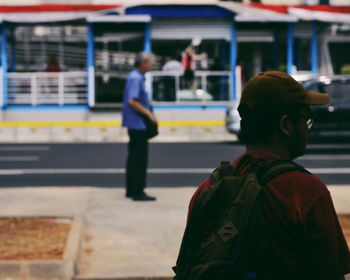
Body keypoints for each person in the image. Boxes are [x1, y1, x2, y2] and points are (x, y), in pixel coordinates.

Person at [175, 71, 350, 279]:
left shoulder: (209, 189)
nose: (308, 128)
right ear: (285, 125)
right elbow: (330, 273)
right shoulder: (305, 192)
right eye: (306, 118)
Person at [122, 52, 157, 201]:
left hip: (135, 124)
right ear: (142, 63)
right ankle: (138, 191)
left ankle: (131, 189)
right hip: (138, 125)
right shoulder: (136, 78)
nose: (151, 65)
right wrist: (148, 114)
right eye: (149, 62)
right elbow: (132, 101)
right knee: (139, 159)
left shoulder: (135, 76)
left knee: (133, 158)